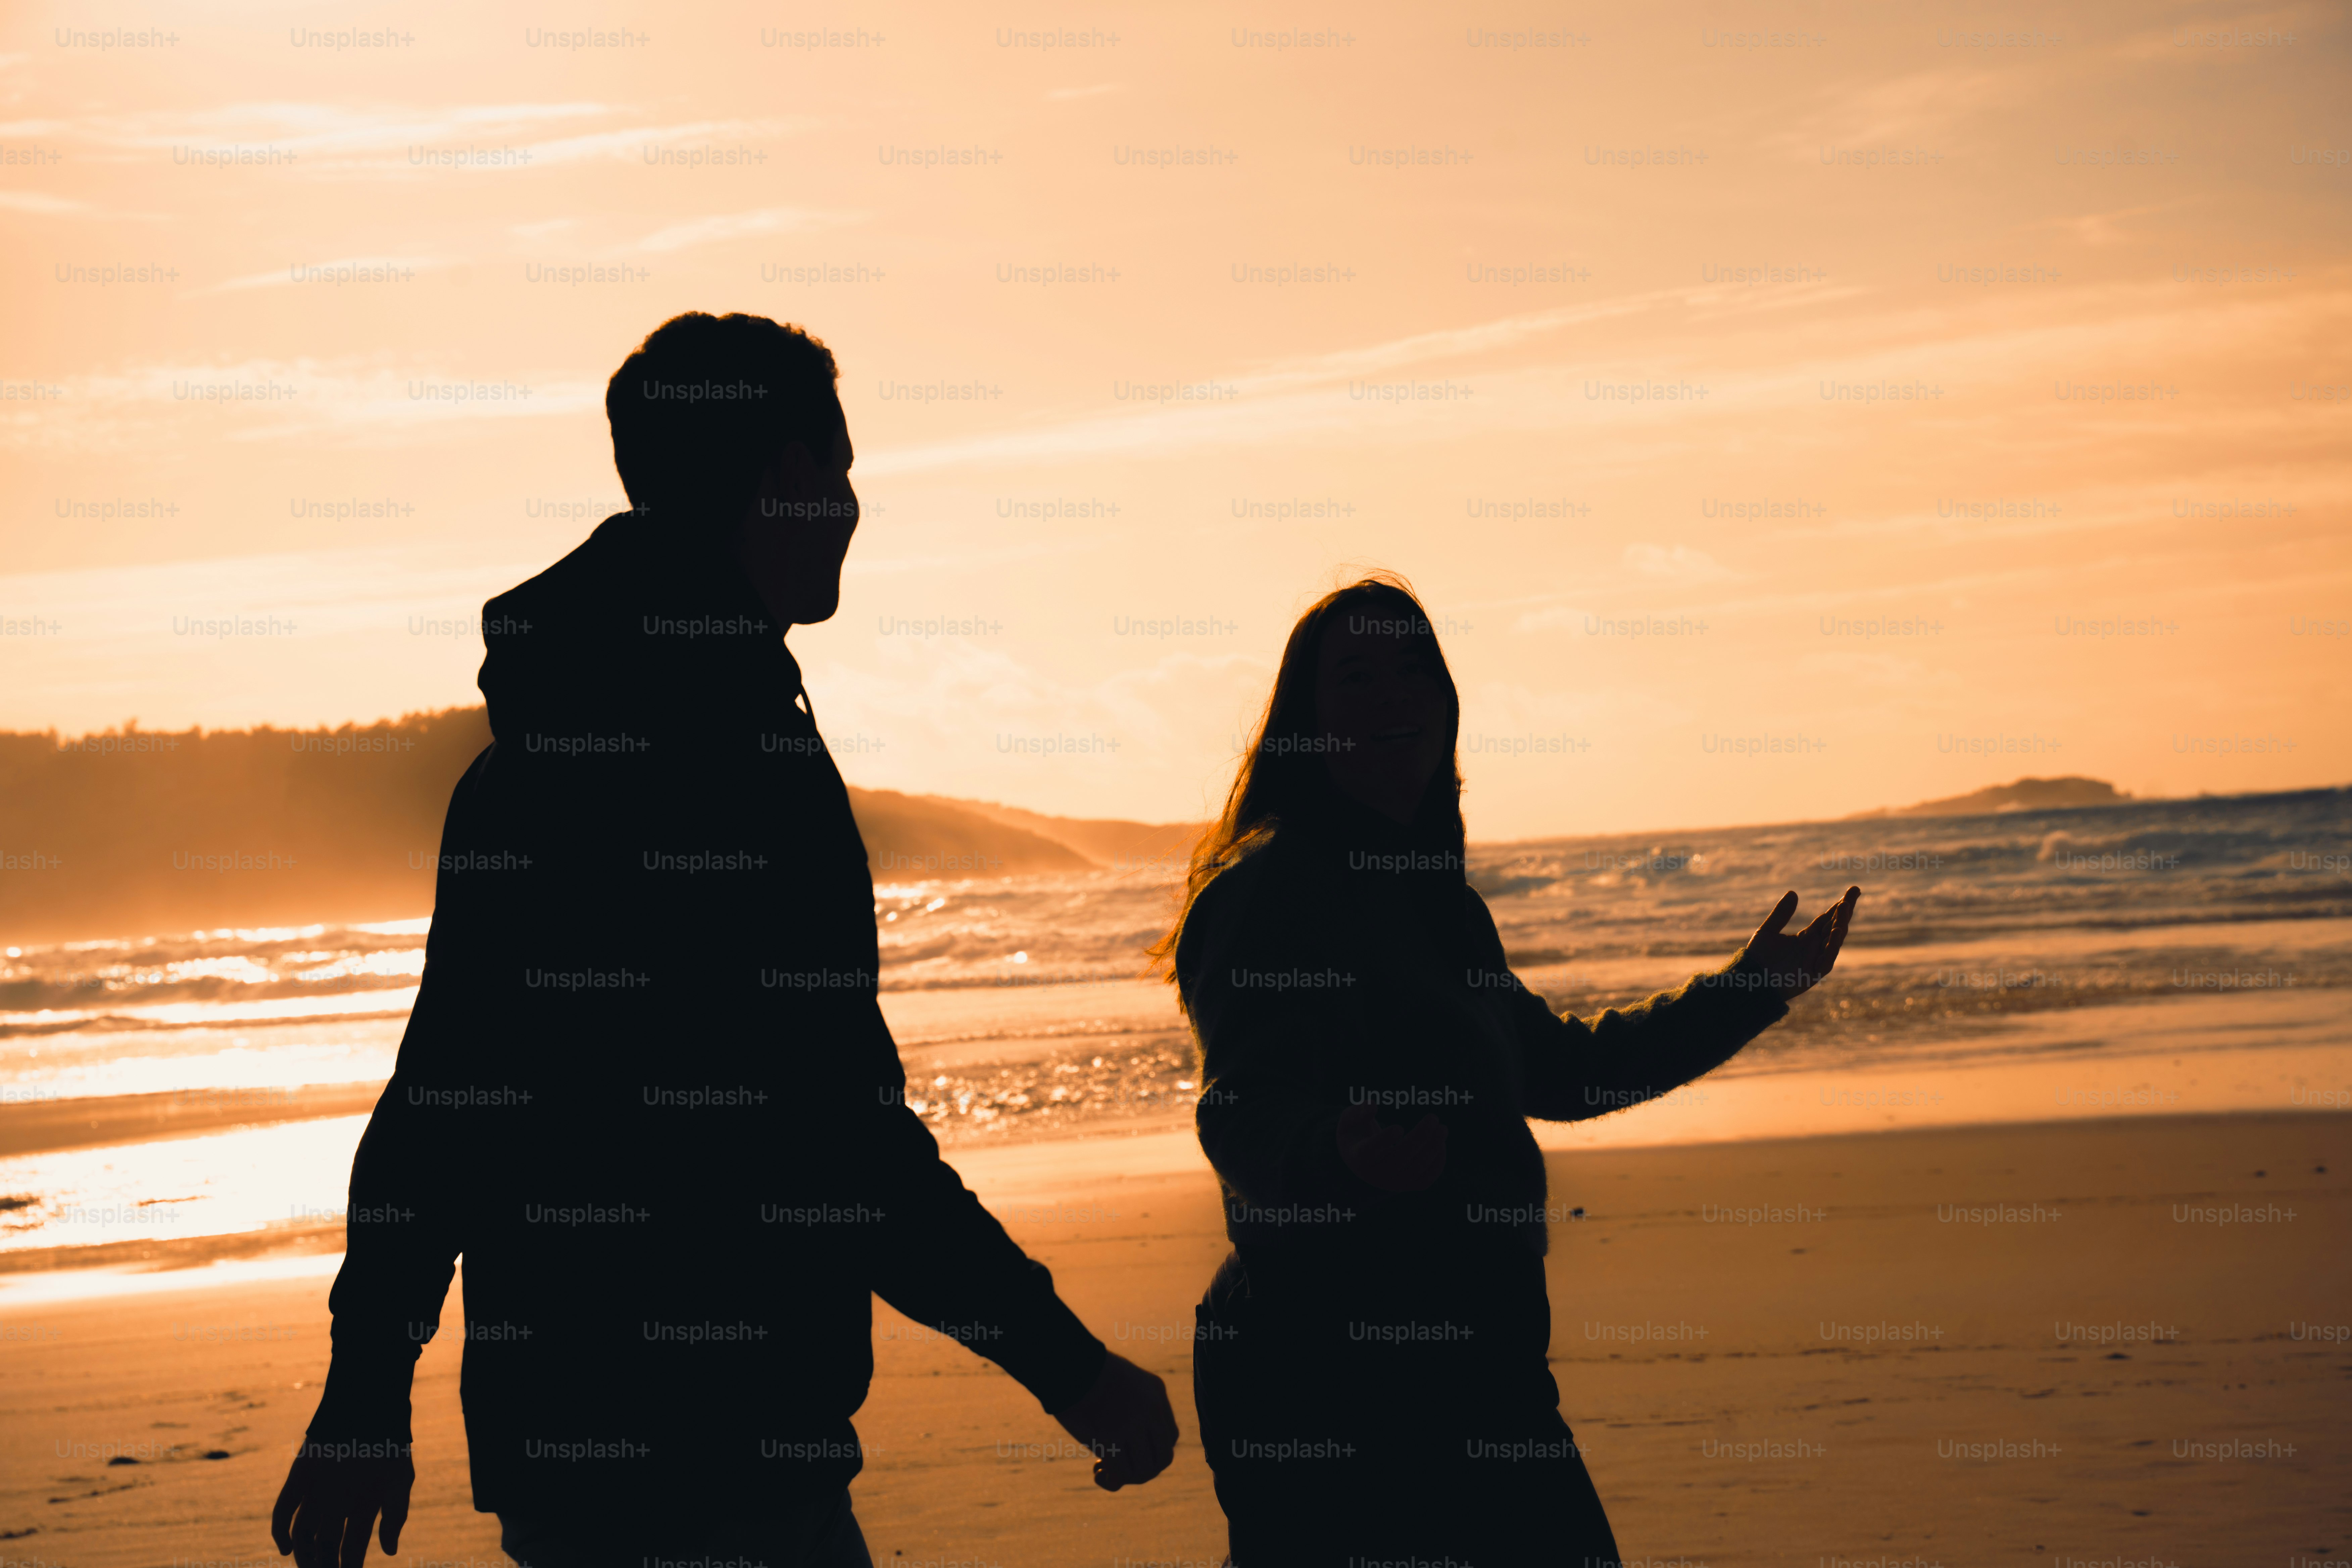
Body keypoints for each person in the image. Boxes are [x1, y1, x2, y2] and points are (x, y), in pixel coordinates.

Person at [271, 312, 1178, 1568]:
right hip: (727, 1459)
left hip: (571, 1454)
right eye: (845, 471)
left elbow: (443, 1097)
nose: (857, 508)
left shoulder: (531, 761)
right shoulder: (742, 767)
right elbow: (831, 1134)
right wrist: (1067, 1367)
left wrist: (366, 1389)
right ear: (792, 477)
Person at [1156, 574, 1859, 1566]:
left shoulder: (1432, 897)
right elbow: (1240, 1113)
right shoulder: (1272, 891)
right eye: (1355, 676)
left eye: (1414, 668)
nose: (1395, 694)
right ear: (1304, 724)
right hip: (1331, 1379)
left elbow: (1560, 1071)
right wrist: (1339, 1154)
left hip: (1478, 1368)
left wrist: (1749, 990)